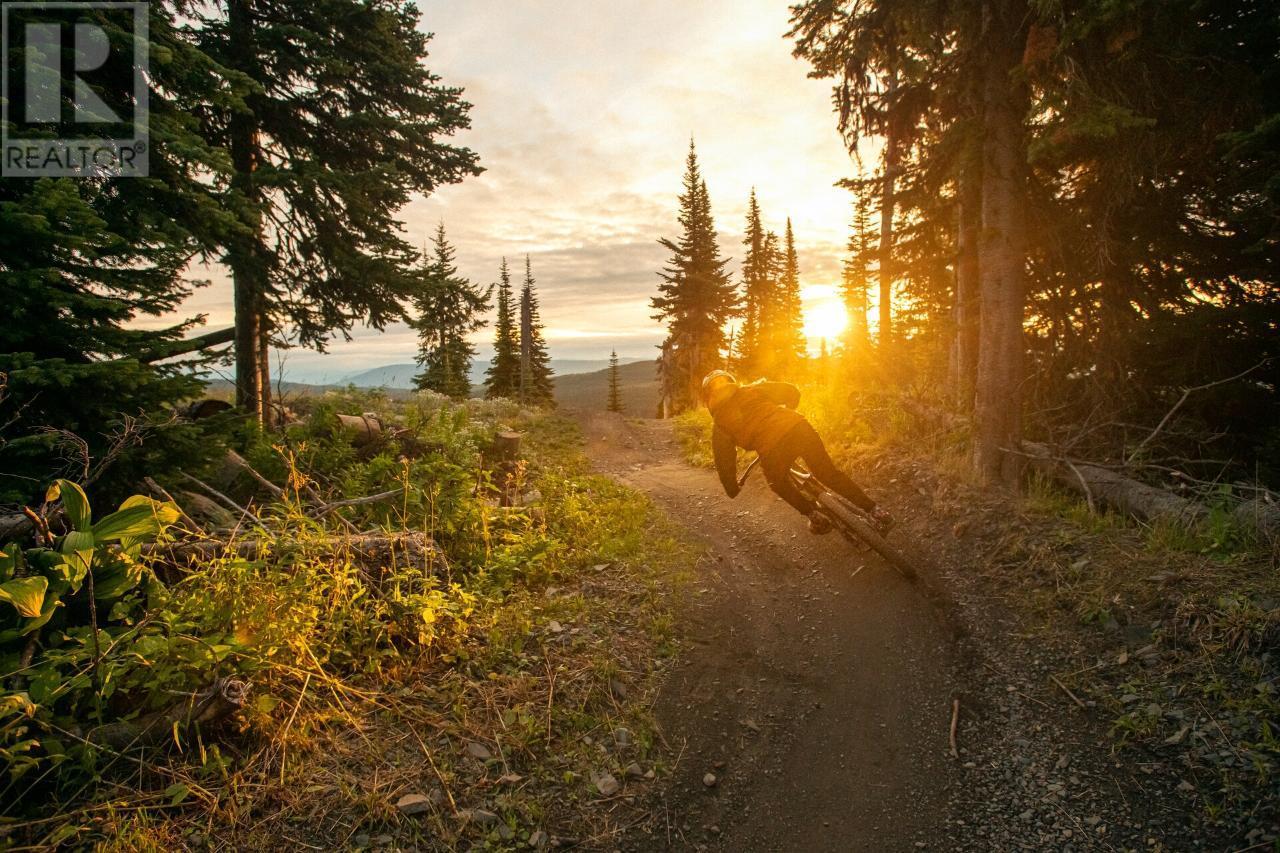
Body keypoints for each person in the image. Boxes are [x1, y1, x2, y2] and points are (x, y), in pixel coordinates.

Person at [701, 370, 893, 536]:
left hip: (772, 448)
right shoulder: (752, 389)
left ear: (709, 398)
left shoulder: (719, 424)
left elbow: (723, 461)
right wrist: (789, 409)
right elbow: (791, 391)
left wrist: (732, 488)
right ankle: (876, 511)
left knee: (778, 483)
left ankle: (815, 517)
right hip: (799, 428)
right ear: (731, 381)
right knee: (828, 473)